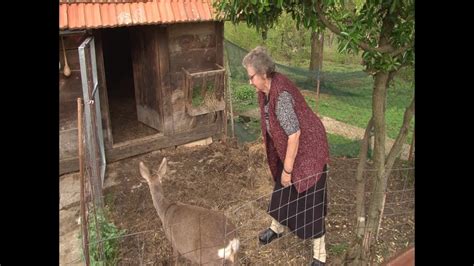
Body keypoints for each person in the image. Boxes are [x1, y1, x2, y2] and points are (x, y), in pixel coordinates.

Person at [242, 46, 330, 266]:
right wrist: (286, 169)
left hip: (309, 151)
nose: (250, 82)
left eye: (251, 77)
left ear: (263, 74)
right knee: (282, 191)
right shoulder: (265, 91)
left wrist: (288, 170)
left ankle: (320, 255)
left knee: (311, 202)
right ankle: (277, 228)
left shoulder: (280, 97)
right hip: (292, 148)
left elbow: (295, 134)